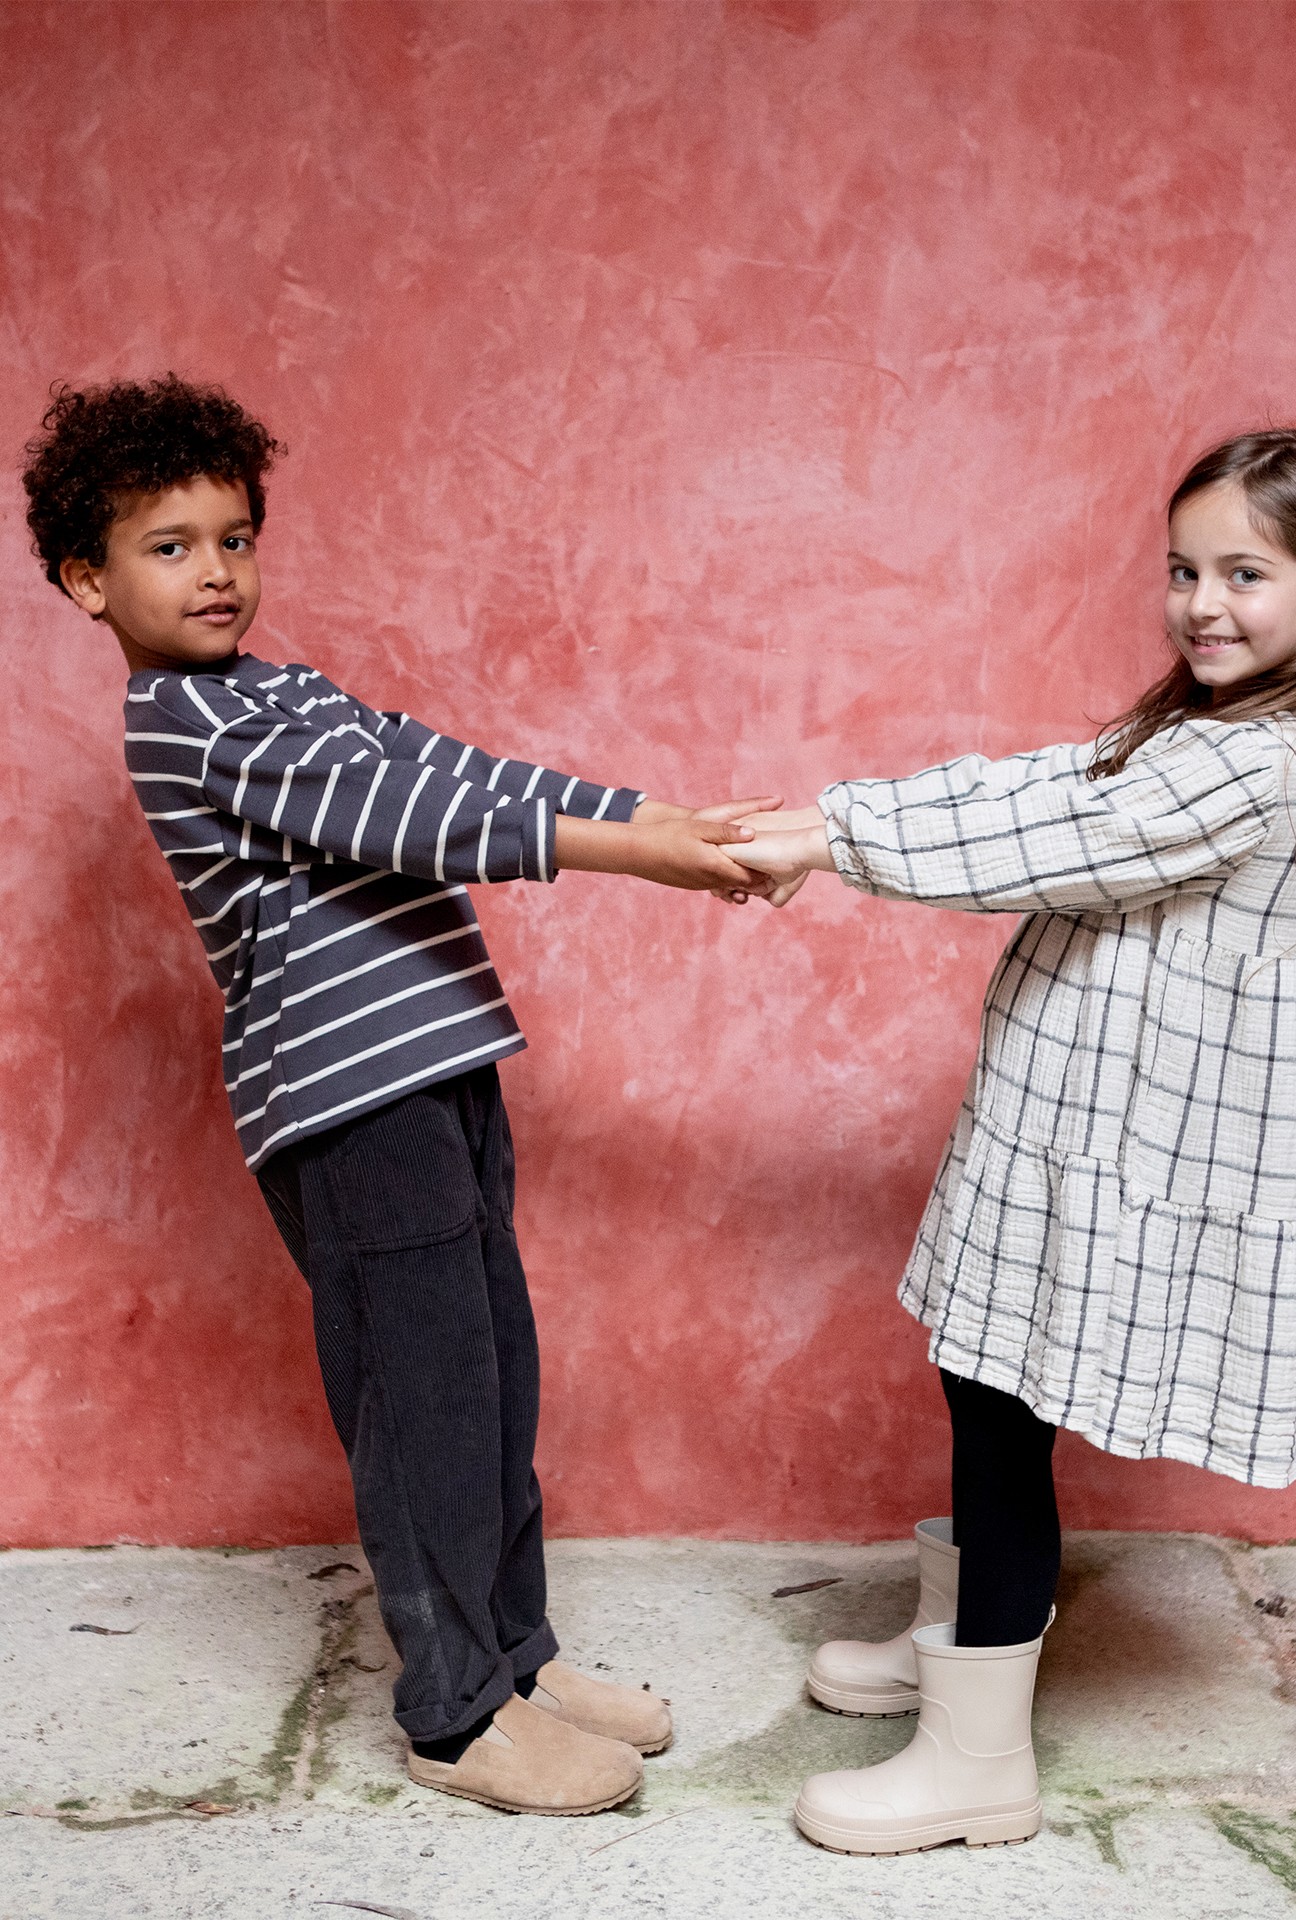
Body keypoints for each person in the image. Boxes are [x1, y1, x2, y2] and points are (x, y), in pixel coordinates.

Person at [21, 374, 784, 1820]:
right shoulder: (187, 721)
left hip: (438, 1071)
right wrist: (637, 858)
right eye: (170, 546)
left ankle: (515, 1657)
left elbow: (443, 764)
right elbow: (409, 818)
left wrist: (650, 815)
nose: (216, 571)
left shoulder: (283, 692)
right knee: (422, 1405)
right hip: (349, 1108)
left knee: (490, 1380)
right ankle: (454, 1713)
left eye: (234, 538)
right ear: (86, 581)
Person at [727, 429, 1296, 1855]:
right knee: (986, 1383)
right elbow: (1043, 784)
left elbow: (1052, 844)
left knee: (1001, 1407)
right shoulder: (1205, 732)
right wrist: (825, 817)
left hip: (1122, 1154)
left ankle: (976, 1760)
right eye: (1183, 570)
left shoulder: (1269, 763)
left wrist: (832, 842)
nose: (1202, 603)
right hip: (1065, 1125)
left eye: (1244, 574)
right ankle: (954, 1647)